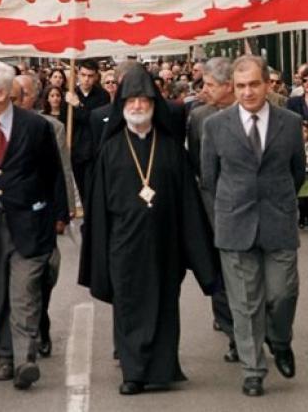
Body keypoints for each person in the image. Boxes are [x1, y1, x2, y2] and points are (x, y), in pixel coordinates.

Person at [81, 68, 219, 396]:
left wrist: (200, 254)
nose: (139, 106)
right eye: (132, 100)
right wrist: (97, 253)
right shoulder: (110, 149)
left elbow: (188, 202)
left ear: (154, 103)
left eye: (145, 99)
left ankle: (162, 368)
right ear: (122, 104)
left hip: (165, 244)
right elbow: (98, 209)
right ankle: (134, 373)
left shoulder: (171, 148)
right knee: (129, 306)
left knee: (164, 305)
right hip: (123, 246)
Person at [0, 61, 67, 390]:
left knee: (25, 294)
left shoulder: (35, 127)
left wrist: (58, 215)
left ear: (1, 93)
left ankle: (25, 359)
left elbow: (52, 173)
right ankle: (5, 357)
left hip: (29, 224)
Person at [200, 54, 305, 397]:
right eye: (241, 86)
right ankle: (253, 368)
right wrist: (230, 207)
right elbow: (211, 178)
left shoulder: (289, 122)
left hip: (278, 221)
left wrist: (278, 201)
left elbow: (297, 171)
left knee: (282, 294)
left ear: (267, 84)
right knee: (245, 303)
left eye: (254, 84)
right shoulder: (214, 126)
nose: (248, 92)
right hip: (235, 222)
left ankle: (280, 340)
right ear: (234, 87)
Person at [12, 73, 76, 358]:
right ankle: (26, 335)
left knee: (45, 273)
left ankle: (41, 320)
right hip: (9, 215)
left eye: (21, 95)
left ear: (32, 97)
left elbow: (61, 170)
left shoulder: (51, 127)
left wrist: (64, 211)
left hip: (42, 213)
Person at [185, 57, 239, 363]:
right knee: (219, 270)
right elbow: (197, 162)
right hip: (211, 206)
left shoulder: (252, 113)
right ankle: (234, 333)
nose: (203, 90)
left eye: (209, 84)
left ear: (227, 86)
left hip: (246, 207)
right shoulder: (199, 117)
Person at [66, 59, 111, 203]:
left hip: (94, 150)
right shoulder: (70, 94)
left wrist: (78, 106)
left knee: (92, 190)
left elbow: (94, 120)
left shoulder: (102, 95)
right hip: (75, 149)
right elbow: (65, 121)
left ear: (96, 76)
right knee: (81, 188)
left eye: (90, 76)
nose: (86, 79)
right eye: (83, 75)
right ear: (78, 74)